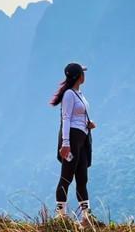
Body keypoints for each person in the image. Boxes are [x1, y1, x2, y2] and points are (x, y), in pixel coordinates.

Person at [49, 62, 97, 227]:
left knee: (82, 178)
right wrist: (66, 143)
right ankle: (61, 216)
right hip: (73, 139)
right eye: (83, 73)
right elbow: (66, 118)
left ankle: (86, 216)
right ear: (79, 76)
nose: (85, 75)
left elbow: (78, 116)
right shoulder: (69, 94)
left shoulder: (79, 93)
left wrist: (88, 123)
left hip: (82, 138)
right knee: (67, 177)